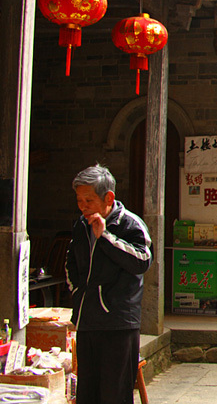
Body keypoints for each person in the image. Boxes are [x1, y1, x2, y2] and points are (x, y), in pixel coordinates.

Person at [65, 164, 152, 404]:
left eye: (89, 200)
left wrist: (105, 237)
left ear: (108, 198)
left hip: (118, 323)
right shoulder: (80, 225)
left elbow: (142, 261)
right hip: (87, 321)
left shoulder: (130, 224)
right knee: (87, 392)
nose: (83, 206)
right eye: (79, 200)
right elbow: (71, 263)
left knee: (115, 394)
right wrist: (77, 293)